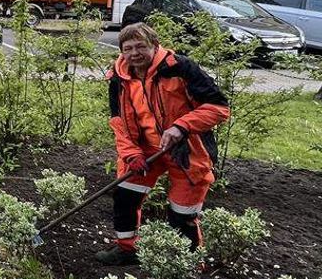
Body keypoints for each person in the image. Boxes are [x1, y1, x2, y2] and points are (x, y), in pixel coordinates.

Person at [98, 23, 229, 265]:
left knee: (183, 214)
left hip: (187, 150)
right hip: (145, 150)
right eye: (128, 48)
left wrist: (182, 126)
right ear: (121, 51)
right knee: (125, 195)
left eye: (141, 46)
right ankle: (128, 249)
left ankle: (186, 265)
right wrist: (131, 154)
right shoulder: (119, 77)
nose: (134, 53)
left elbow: (219, 107)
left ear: (155, 46)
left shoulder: (180, 68)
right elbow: (119, 121)